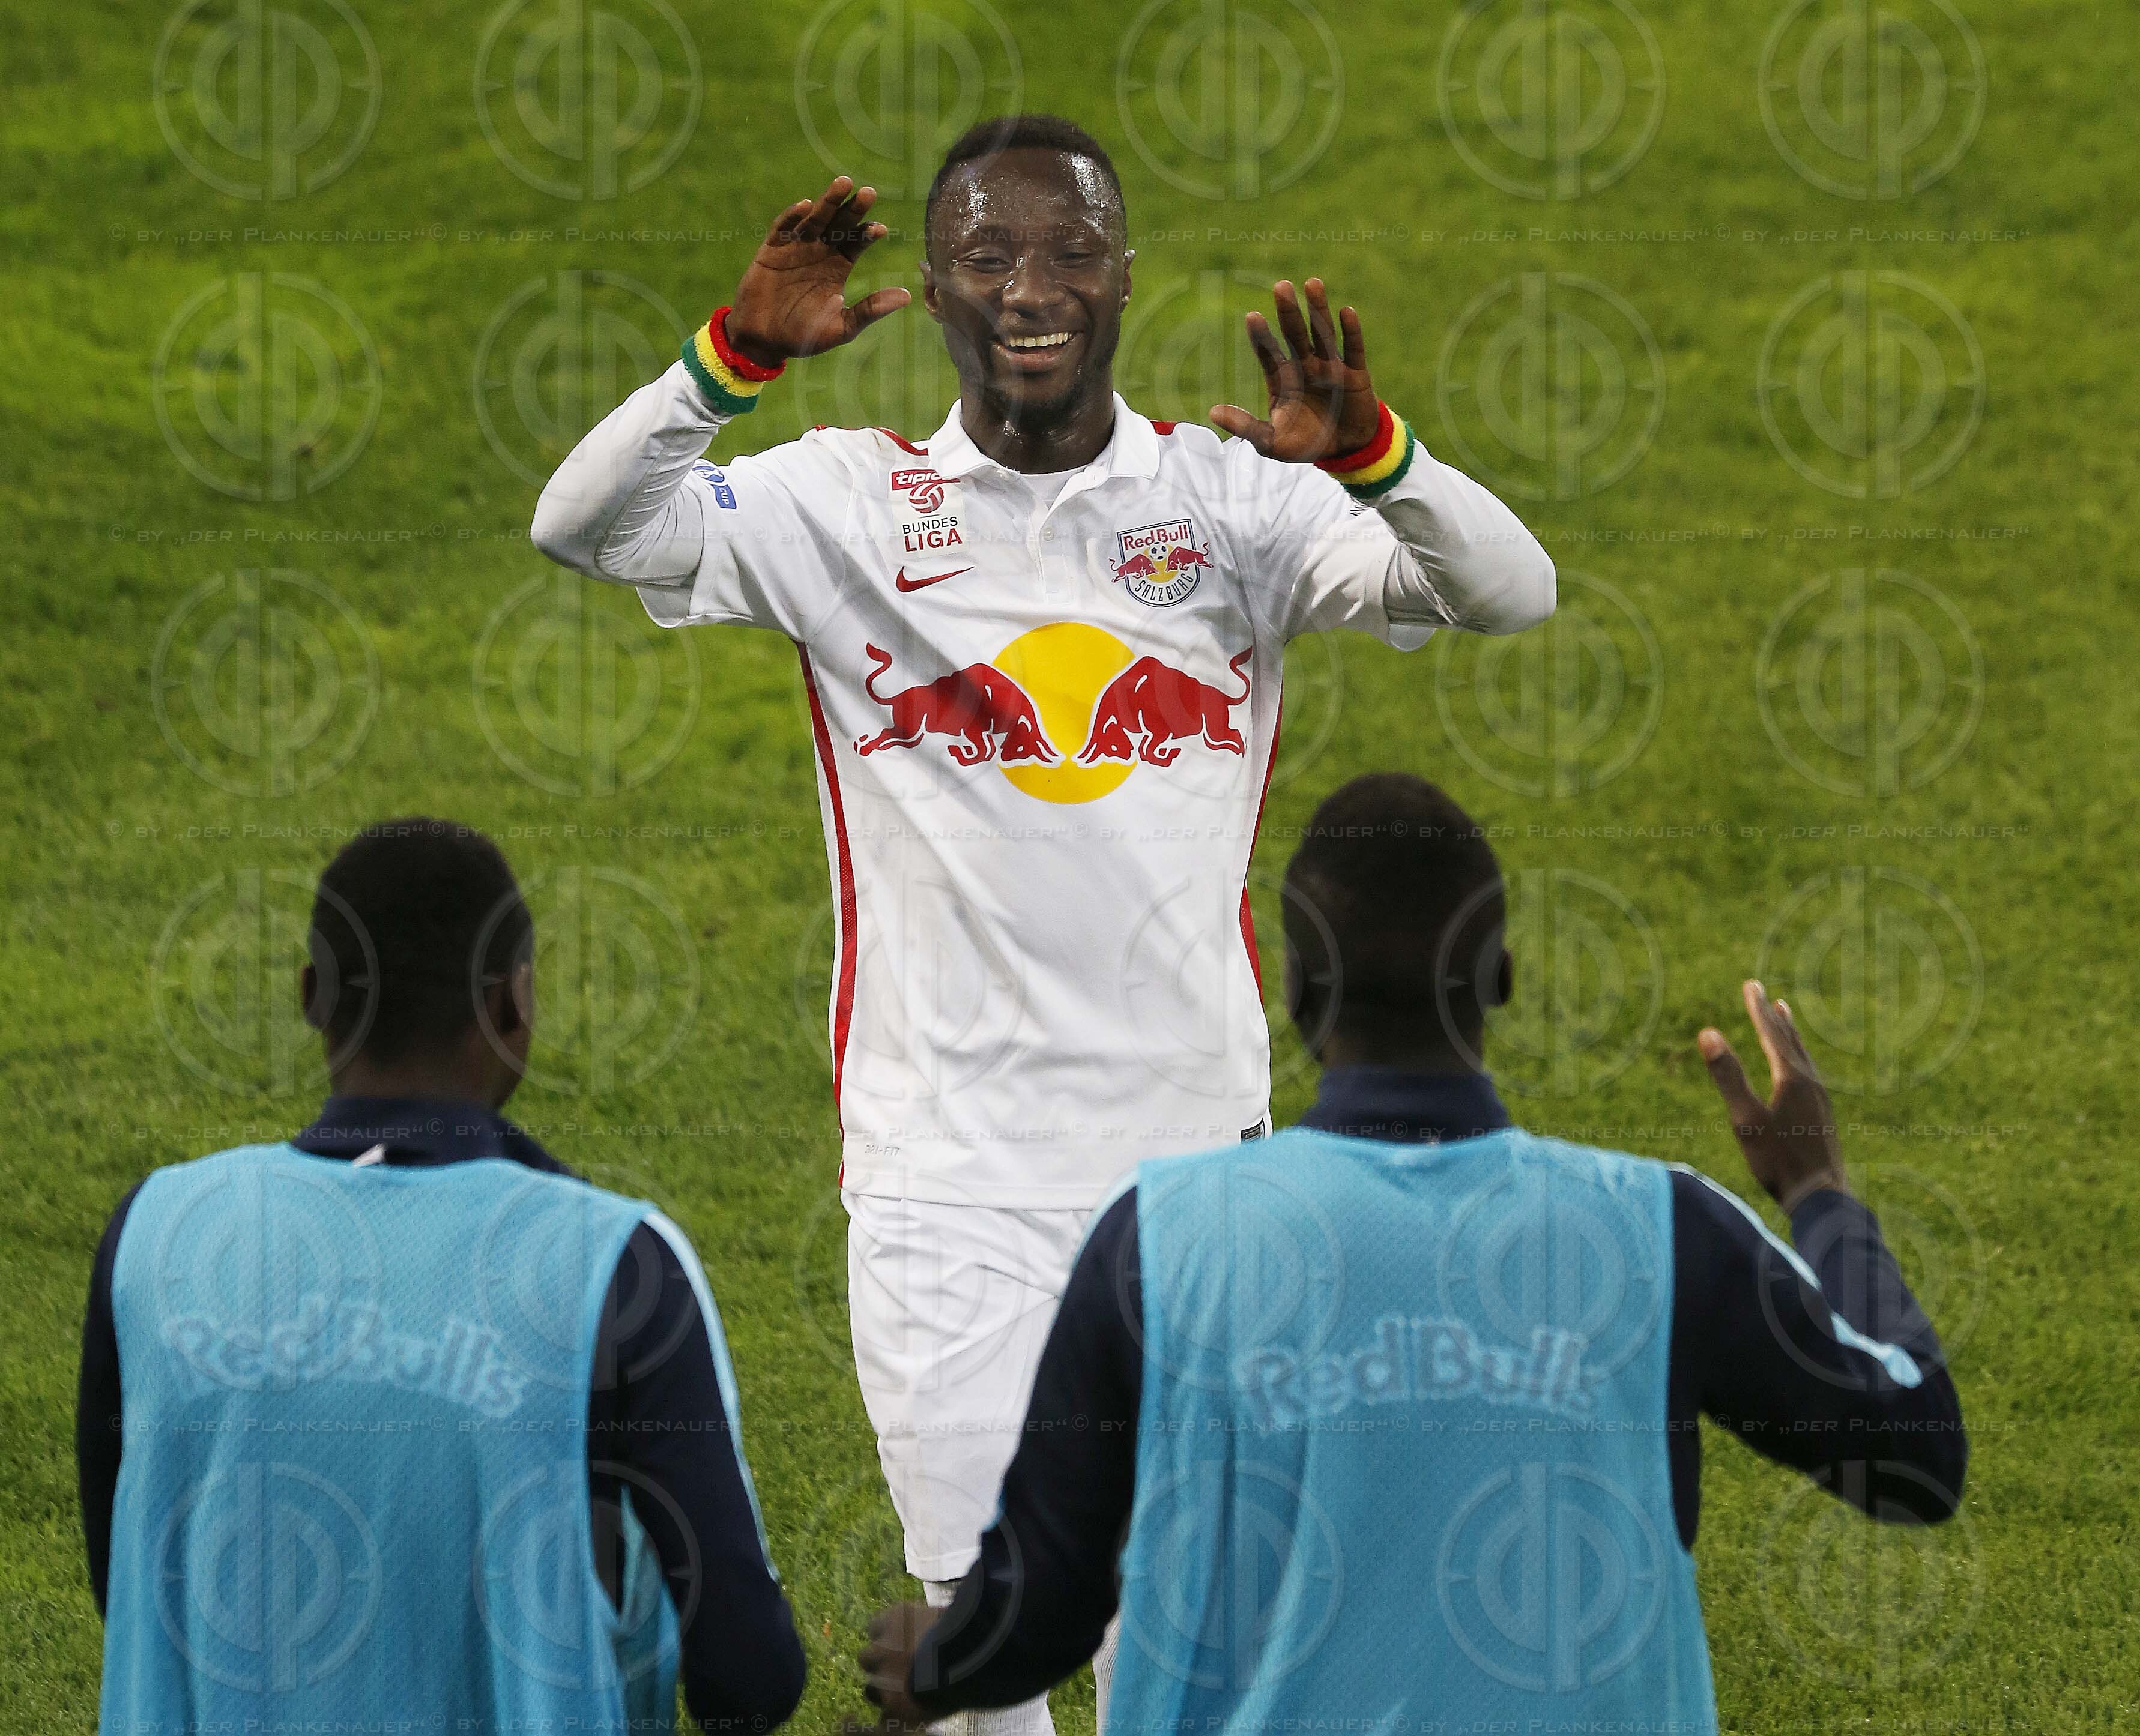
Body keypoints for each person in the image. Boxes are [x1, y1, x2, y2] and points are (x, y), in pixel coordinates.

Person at [531, 114, 1555, 1731]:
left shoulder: (1235, 500)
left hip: (1198, 1175)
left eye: (1071, 250)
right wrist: (728, 360)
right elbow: (580, 525)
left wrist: (1377, 458)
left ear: (1124, 277)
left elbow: (1510, 590)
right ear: (935, 286)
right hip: (947, 1182)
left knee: (1186, 1641)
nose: (1031, 287)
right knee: (978, 1644)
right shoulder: (846, 504)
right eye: (989, 254)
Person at [852, 773, 1968, 1732]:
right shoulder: (1659, 1228)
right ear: (1503, 981)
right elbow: (1915, 1455)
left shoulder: (1160, 1239)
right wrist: (1818, 1193)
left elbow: (1043, 1611)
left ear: (1296, 995)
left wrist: (934, 1664)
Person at [77, 819, 805, 1732]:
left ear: (311, 998)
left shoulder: (153, 1232)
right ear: (514, 1005)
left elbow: (131, 1584)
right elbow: (749, 1677)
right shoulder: (616, 1266)